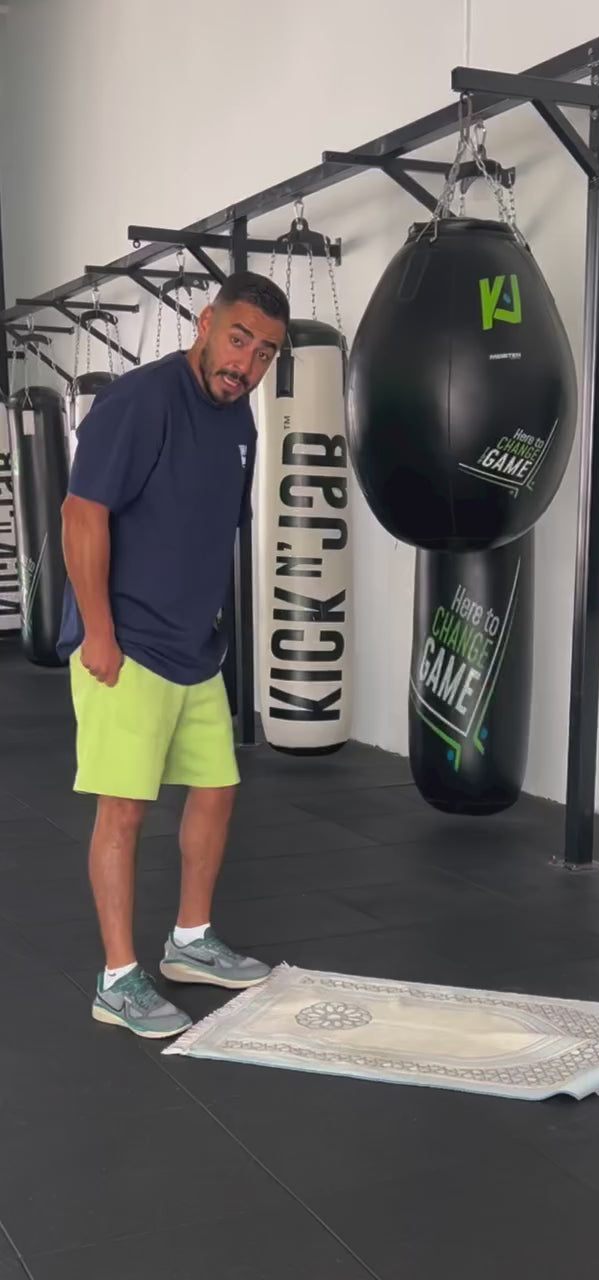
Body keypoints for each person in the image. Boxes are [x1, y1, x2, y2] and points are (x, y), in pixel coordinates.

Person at [57, 271, 289, 1039]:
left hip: (193, 645)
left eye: (264, 353)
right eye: (238, 340)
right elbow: (82, 513)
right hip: (126, 642)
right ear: (205, 322)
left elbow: (205, 527)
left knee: (216, 789)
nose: (246, 363)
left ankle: (190, 942)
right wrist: (98, 631)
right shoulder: (140, 400)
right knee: (124, 809)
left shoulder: (239, 421)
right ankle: (117, 978)